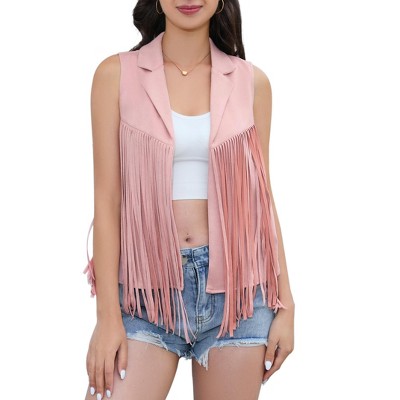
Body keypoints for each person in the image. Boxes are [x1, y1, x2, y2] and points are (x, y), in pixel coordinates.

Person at [83, 1, 295, 399]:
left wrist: (286, 304)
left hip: (238, 297)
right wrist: (107, 317)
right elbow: (107, 201)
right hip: (145, 296)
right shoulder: (115, 75)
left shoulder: (252, 82)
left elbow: (262, 199)